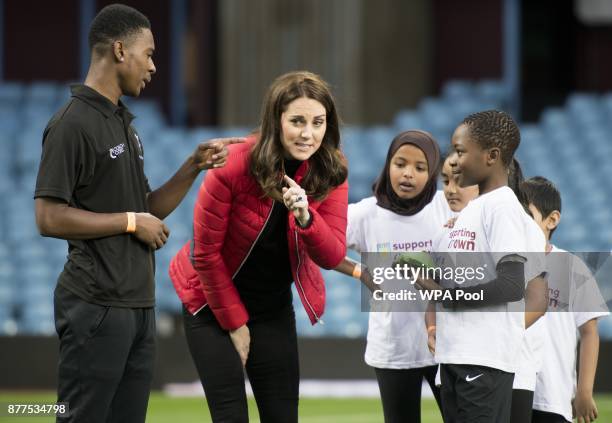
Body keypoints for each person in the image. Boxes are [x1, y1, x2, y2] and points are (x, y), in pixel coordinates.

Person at [33, 4, 243, 422]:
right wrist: (131, 222)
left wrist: (192, 166)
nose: (153, 66)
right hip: (95, 306)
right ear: (118, 50)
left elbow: (146, 209)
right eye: (148, 53)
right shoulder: (71, 124)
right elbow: (49, 217)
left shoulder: (125, 126)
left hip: (138, 307)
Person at [168, 71, 348, 423]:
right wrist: (235, 323)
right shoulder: (232, 164)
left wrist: (306, 217)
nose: (308, 133)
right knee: (231, 417)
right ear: (276, 120)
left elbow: (333, 255)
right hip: (209, 303)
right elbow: (204, 255)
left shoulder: (331, 168)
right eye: (297, 121)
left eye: (318, 122)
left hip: (272, 309)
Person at [415, 110, 541, 422]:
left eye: (460, 151)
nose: (453, 160)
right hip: (454, 355)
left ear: (491, 156)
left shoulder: (503, 208)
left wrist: (448, 294)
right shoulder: (467, 214)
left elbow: (511, 286)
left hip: (484, 359)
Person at [334, 130, 452, 423]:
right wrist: (359, 272)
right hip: (393, 348)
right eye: (400, 164)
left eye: (420, 168)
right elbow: (318, 244)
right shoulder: (365, 214)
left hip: (448, 345)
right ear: (388, 165)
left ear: (433, 172)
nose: (408, 174)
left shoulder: (446, 206)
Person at [522, 177, 609, 423]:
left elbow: (590, 332)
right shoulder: (504, 265)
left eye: (527, 216)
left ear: (552, 220)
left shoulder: (572, 267)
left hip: (553, 396)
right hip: (510, 389)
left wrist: (584, 391)